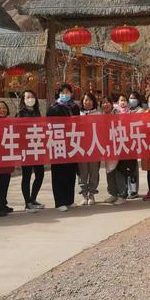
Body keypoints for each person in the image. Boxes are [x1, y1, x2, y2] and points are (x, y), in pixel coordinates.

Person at [46, 84, 80, 212]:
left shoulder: (75, 107)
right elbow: (48, 126)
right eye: (63, 92)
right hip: (58, 143)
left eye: (67, 92)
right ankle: (59, 201)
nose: (65, 94)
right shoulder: (53, 108)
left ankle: (69, 200)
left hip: (72, 143)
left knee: (71, 172)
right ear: (59, 93)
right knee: (59, 173)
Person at [16, 90, 45, 212]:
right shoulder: (20, 113)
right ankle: (27, 203)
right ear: (23, 99)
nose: (30, 99)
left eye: (32, 96)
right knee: (27, 176)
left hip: (37, 147)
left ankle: (33, 199)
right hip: (26, 148)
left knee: (40, 174)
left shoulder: (37, 112)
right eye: (28, 97)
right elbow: (17, 130)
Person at [101, 96, 127, 205]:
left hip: (118, 145)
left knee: (118, 171)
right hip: (107, 148)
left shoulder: (118, 114)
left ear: (111, 104)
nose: (105, 104)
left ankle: (122, 195)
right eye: (103, 103)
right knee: (109, 171)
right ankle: (113, 193)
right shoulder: (100, 116)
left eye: (107, 102)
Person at [114, 93, 139, 199]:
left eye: (124, 100)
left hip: (130, 144)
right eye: (121, 100)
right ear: (118, 102)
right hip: (119, 145)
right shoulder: (114, 113)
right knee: (121, 169)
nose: (123, 102)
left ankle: (133, 191)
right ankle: (123, 190)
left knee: (132, 168)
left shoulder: (132, 112)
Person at [78, 92, 101, 205]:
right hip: (81, 147)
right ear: (82, 101)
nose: (88, 102)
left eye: (90, 100)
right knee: (83, 172)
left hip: (95, 147)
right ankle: (84, 194)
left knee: (94, 171)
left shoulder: (98, 114)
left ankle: (92, 193)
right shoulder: (78, 114)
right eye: (86, 100)